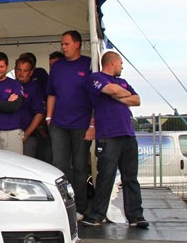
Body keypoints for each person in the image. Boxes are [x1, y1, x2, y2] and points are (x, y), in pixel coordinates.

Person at [86, 52, 148, 228]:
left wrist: (118, 95)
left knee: (131, 177)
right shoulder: (96, 78)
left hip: (128, 134)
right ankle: (97, 215)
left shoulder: (123, 82)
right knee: (106, 175)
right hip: (108, 135)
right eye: (121, 63)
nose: (122, 66)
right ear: (113, 62)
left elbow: (137, 100)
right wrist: (119, 94)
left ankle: (136, 216)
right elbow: (112, 90)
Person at [45, 31, 94, 217]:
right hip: (58, 124)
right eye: (62, 44)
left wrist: (92, 124)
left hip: (81, 124)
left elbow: (96, 97)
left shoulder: (89, 64)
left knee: (80, 166)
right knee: (59, 166)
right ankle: (62, 207)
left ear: (77, 44)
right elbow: (51, 93)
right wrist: (48, 118)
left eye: (66, 44)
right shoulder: (57, 66)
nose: (63, 47)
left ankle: (80, 207)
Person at [14, 54, 47, 160]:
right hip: (8, 134)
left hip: (27, 136)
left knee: (25, 165)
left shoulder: (34, 88)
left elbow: (39, 114)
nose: (21, 73)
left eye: (25, 70)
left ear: (31, 72)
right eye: (19, 70)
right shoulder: (8, 85)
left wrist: (26, 134)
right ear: (14, 70)